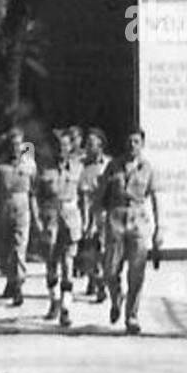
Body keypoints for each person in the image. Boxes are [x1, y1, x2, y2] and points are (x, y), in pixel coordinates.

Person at [94, 127, 162, 335]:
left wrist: (159, 228)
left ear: (142, 144)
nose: (132, 145)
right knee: (110, 270)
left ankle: (132, 316)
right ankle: (116, 297)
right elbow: (100, 196)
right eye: (129, 141)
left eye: (136, 142)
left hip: (139, 218)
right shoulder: (113, 166)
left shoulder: (147, 168)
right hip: (116, 217)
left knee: (137, 271)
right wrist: (97, 220)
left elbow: (155, 199)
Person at [0, 125, 37, 307]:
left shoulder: (29, 163)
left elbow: (37, 187)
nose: (16, 148)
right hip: (3, 204)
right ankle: (10, 278)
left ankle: (19, 285)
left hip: (22, 204)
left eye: (19, 144)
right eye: (13, 144)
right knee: (4, 247)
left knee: (20, 245)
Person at [33, 129, 81, 327]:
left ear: (71, 147)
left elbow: (84, 196)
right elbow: (34, 195)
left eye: (66, 146)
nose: (62, 150)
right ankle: (54, 299)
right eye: (59, 146)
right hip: (50, 218)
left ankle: (66, 308)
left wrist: (85, 220)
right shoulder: (45, 169)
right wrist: (37, 219)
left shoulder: (78, 168)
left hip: (70, 218)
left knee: (68, 263)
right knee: (51, 264)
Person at [77, 126, 110, 302]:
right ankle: (94, 278)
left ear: (100, 146)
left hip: (104, 212)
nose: (88, 147)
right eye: (87, 144)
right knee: (89, 249)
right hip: (85, 210)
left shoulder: (108, 165)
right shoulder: (80, 165)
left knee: (102, 249)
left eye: (92, 144)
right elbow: (81, 195)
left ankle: (99, 281)